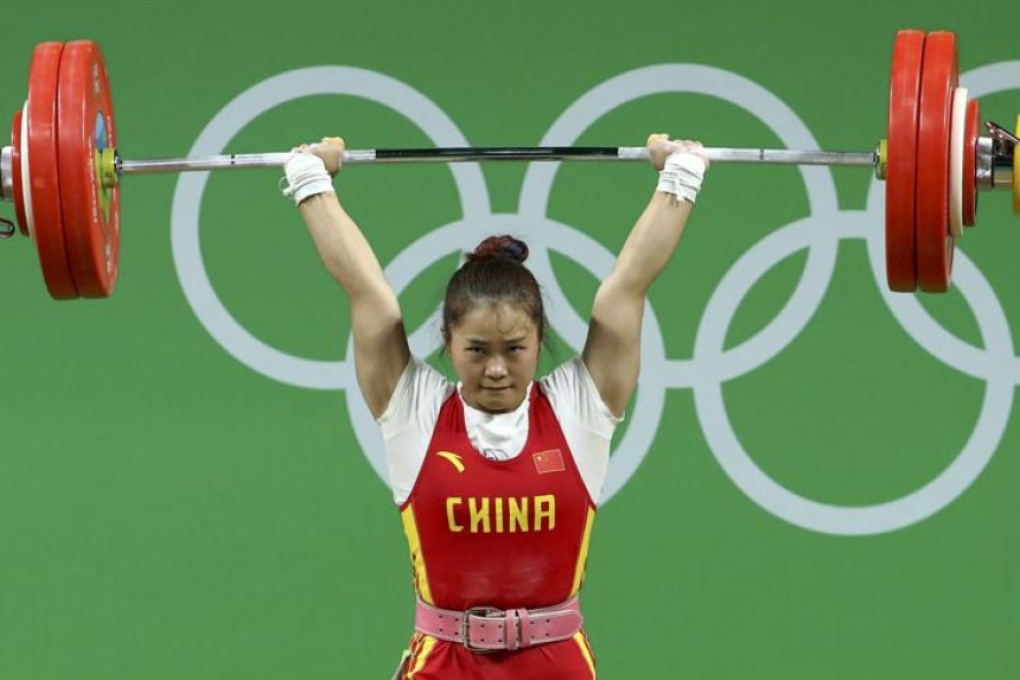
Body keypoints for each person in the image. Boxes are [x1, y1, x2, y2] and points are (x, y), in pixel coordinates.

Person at [281, 134, 708, 679]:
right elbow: (367, 291)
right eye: (477, 351)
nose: (498, 368)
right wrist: (311, 179)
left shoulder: (581, 408)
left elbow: (628, 286)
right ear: (448, 341)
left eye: (515, 349)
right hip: (444, 665)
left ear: (539, 340)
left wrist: (680, 175)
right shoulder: (413, 409)